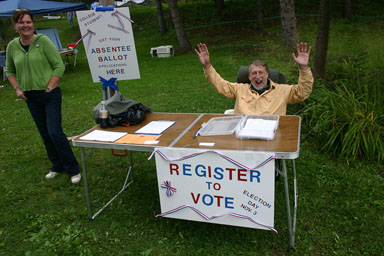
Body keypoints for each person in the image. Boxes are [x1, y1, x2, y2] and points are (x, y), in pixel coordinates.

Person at [6, 9, 81, 184]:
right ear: (15, 25)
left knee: (55, 132)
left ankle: (73, 169)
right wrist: (17, 88)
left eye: (28, 22)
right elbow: (9, 70)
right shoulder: (12, 46)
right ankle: (57, 165)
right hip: (30, 97)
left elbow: (58, 66)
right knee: (45, 134)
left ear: (33, 24)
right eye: (21, 22)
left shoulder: (43, 41)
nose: (25, 25)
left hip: (50, 95)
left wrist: (50, 86)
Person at [195, 42, 314, 115]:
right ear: (249, 77)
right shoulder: (239, 89)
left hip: (270, 135)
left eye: (261, 73)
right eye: (254, 73)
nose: (258, 77)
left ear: (267, 74)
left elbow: (303, 92)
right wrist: (207, 66)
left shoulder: (283, 90)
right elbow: (220, 85)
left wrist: (303, 67)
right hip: (243, 134)